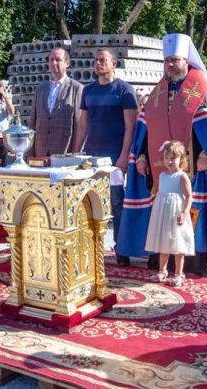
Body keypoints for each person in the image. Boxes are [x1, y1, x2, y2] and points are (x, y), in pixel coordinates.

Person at [120, 33, 207, 277]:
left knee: (195, 210)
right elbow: (146, 128)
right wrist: (142, 156)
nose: (170, 65)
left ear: (187, 60)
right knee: (162, 213)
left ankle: (200, 260)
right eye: (167, 61)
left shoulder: (203, 90)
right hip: (161, 168)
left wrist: (204, 155)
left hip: (196, 167)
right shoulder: (158, 91)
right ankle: (161, 258)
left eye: (175, 60)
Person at [74, 48, 139, 265]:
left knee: (116, 202)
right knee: (90, 202)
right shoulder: (88, 91)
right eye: (96, 60)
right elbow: (83, 123)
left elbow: (131, 127)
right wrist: (75, 153)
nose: (98, 63)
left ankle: (122, 249)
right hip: (91, 156)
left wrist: (124, 157)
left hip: (114, 158)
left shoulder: (125, 91)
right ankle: (92, 248)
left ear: (114, 64)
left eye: (103, 60)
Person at [144, 140, 195, 287]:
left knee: (178, 242)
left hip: (176, 212)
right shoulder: (162, 176)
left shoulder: (182, 176)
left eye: (173, 158)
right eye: (167, 158)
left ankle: (179, 273)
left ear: (181, 159)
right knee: (163, 240)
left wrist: (185, 213)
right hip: (163, 212)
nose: (170, 161)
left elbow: (189, 196)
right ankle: (162, 270)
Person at [30, 47, 83, 157]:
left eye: (58, 60)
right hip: (41, 151)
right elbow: (33, 122)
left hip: (64, 151)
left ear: (67, 63)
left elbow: (79, 124)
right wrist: (30, 153)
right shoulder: (40, 89)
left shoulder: (77, 88)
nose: (54, 63)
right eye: (51, 59)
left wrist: (76, 154)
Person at [0, 79, 15, 161]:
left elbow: (12, 112)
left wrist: (4, 96)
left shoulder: (7, 101)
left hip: (2, 136)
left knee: (2, 160)